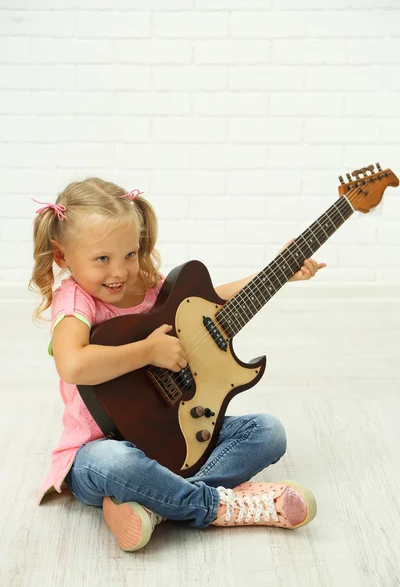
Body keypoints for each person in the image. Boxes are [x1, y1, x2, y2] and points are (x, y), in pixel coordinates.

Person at [29, 177, 326, 553]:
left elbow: (212, 303)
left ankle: (156, 505)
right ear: (62, 256)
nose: (119, 272)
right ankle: (216, 506)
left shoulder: (147, 285)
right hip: (96, 450)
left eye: (130, 255)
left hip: (172, 438)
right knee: (118, 462)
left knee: (268, 432)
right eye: (102, 259)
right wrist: (147, 352)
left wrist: (278, 272)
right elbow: (73, 365)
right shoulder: (75, 300)